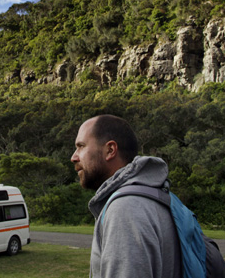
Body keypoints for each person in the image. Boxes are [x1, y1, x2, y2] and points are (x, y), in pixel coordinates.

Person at [71, 114, 181, 278]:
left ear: (110, 150)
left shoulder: (125, 210)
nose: (73, 157)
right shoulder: (156, 197)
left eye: (81, 146)